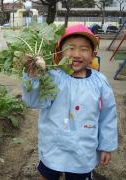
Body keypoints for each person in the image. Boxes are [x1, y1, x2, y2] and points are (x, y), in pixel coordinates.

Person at [22, 24, 118, 180]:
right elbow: (33, 101)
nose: (77, 54)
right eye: (71, 48)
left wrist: (106, 146)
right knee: (47, 175)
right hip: (54, 146)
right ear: (60, 53)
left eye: (84, 49)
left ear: (93, 54)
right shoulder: (51, 77)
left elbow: (108, 116)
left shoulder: (100, 82)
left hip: (83, 150)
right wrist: (32, 76)